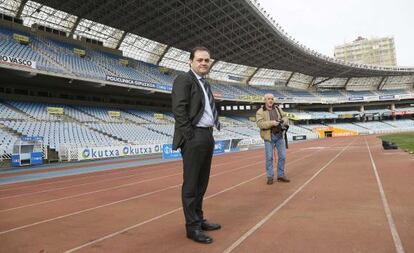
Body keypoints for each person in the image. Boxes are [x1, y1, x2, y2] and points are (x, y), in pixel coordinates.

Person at [171, 46, 221, 244]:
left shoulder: (205, 84)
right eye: (200, 60)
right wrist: (190, 136)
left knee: (202, 183)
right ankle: (192, 228)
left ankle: (199, 219)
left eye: (206, 60)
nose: (203, 63)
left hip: (207, 135)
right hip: (194, 136)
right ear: (190, 61)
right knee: (191, 185)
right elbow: (179, 109)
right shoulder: (184, 79)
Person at [256, 93, 290, 185]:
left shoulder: (278, 108)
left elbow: (285, 116)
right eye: (268, 99)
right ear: (265, 100)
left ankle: (280, 175)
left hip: (279, 136)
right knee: (269, 158)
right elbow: (260, 124)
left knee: (282, 156)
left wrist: (284, 121)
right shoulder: (260, 111)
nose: (270, 100)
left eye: (272, 99)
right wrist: (272, 123)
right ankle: (270, 177)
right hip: (268, 137)